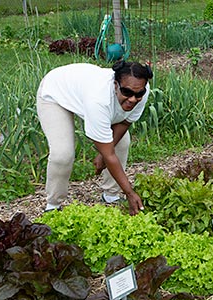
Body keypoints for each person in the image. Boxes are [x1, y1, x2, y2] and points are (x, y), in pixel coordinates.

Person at [36, 61, 153, 216]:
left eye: (138, 94)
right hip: (55, 94)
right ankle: (53, 205)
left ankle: (111, 195)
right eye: (127, 92)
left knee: (122, 143)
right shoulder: (99, 99)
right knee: (62, 154)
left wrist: (103, 154)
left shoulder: (141, 89)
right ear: (116, 84)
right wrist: (130, 193)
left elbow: (125, 122)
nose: (132, 99)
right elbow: (109, 155)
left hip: (81, 90)